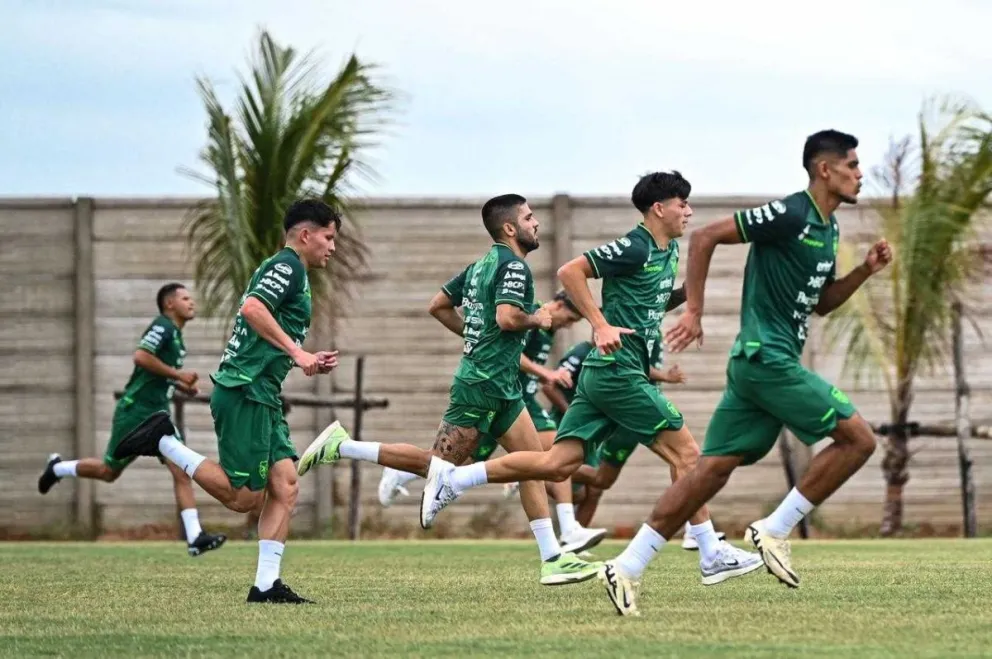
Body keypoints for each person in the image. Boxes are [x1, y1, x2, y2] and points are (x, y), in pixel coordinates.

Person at [415, 172, 760, 588]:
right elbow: (570, 270)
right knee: (688, 455)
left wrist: (690, 296)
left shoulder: (665, 253)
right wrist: (599, 323)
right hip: (617, 372)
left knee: (557, 464)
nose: (688, 210)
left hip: (606, 374)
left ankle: (456, 478)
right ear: (659, 208)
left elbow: (652, 300)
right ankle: (710, 550)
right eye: (681, 203)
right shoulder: (634, 245)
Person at [600, 130, 893, 616]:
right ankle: (775, 528)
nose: (860, 174)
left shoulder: (828, 229)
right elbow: (706, 235)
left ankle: (628, 565)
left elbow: (821, 304)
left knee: (709, 471)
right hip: (765, 358)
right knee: (858, 439)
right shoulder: (791, 212)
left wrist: (864, 271)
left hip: (758, 367)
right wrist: (693, 309)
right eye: (853, 165)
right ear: (825, 169)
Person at [296, 194, 601, 585]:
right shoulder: (513, 267)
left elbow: (438, 305)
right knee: (435, 467)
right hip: (481, 386)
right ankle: (341, 446)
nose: (536, 223)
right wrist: (537, 318)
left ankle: (553, 558)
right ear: (510, 228)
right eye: (528, 217)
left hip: (503, 387)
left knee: (532, 464)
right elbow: (508, 318)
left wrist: (473, 334)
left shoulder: (479, 267)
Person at [110, 199, 344, 604]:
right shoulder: (286, 266)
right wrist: (298, 353)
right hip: (244, 389)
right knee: (244, 498)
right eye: (328, 237)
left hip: (262, 393)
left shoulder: (294, 271)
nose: (332, 247)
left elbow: (265, 321)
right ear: (306, 235)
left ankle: (266, 585)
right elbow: (252, 308)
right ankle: (163, 441)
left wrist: (304, 357)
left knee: (285, 486)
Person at [377, 290, 608, 555]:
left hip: (514, 401)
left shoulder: (547, 329)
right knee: (553, 451)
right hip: (507, 397)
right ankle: (568, 530)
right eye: (569, 317)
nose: (568, 324)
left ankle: (402, 472)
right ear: (556, 304)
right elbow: (511, 353)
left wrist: (545, 377)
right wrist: (546, 373)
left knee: (457, 463)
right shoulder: (532, 315)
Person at [37, 283, 226, 556]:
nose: (191, 302)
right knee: (108, 471)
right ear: (169, 304)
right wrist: (177, 375)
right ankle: (57, 469)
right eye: (185, 298)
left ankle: (195, 537)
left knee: (180, 470)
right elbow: (141, 357)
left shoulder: (176, 335)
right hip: (136, 411)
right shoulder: (163, 327)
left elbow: (156, 374)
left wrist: (180, 384)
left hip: (159, 413)